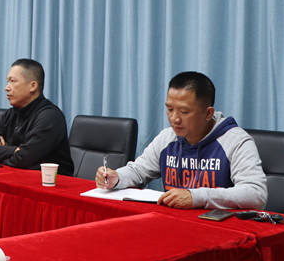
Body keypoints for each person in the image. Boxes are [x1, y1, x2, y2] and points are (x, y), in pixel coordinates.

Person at [95, 71, 268, 210]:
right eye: (170, 109)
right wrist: (117, 178)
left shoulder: (236, 141)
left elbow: (256, 194)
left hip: (218, 229)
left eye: (184, 112)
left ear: (208, 113)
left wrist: (196, 197)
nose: (174, 119)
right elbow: (139, 171)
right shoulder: (167, 137)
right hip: (173, 223)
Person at [0, 59, 73, 175]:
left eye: (13, 81)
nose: (6, 88)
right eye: (7, 81)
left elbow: (23, 159)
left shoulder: (50, 116)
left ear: (33, 86)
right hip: (15, 177)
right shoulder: (10, 114)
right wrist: (14, 150)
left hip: (50, 182)